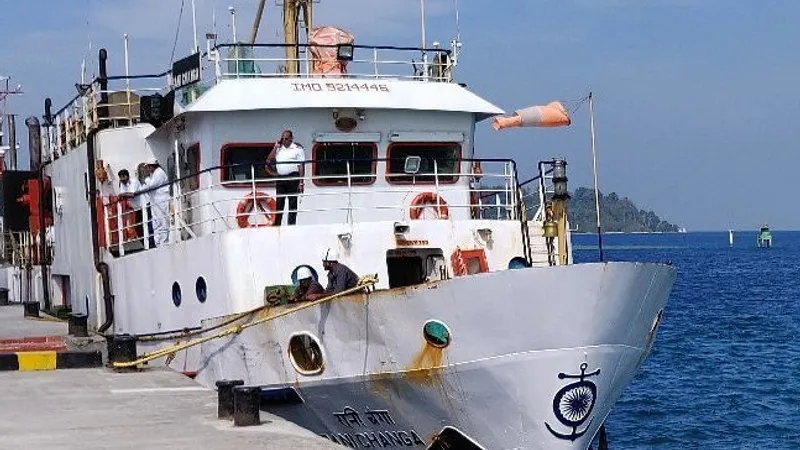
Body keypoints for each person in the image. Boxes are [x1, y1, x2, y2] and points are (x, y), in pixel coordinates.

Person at [266, 130, 305, 226]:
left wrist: (301, 182)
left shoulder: (297, 149)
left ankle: (291, 225)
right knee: (279, 202)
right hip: (281, 178)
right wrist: (275, 147)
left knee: (292, 202)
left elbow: (301, 166)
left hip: (293, 177)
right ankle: (277, 224)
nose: (284, 140)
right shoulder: (279, 149)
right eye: (282, 138)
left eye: (286, 138)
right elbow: (269, 159)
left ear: (291, 138)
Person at [136, 158, 171, 247]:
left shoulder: (159, 173)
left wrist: (146, 179)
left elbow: (151, 186)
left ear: (151, 166)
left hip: (161, 201)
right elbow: (147, 186)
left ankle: (164, 243)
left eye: (147, 167)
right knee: (156, 222)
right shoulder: (154, 175)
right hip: (155, 202)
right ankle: (158, 243)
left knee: (162, 221)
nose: (147, 169)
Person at [118, 169, 144, 238]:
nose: (121, 179)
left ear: (127, 176)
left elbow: (132, 194)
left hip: (143, 206)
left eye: (122, 177)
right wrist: (124, 194)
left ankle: (151, 243)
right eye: (120, 178)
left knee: (146, 224)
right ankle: (145, 243)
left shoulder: (134, 181)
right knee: (138, 227)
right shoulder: (123, 184)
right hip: (135, 208)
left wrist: (123, 194)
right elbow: (121, 196)